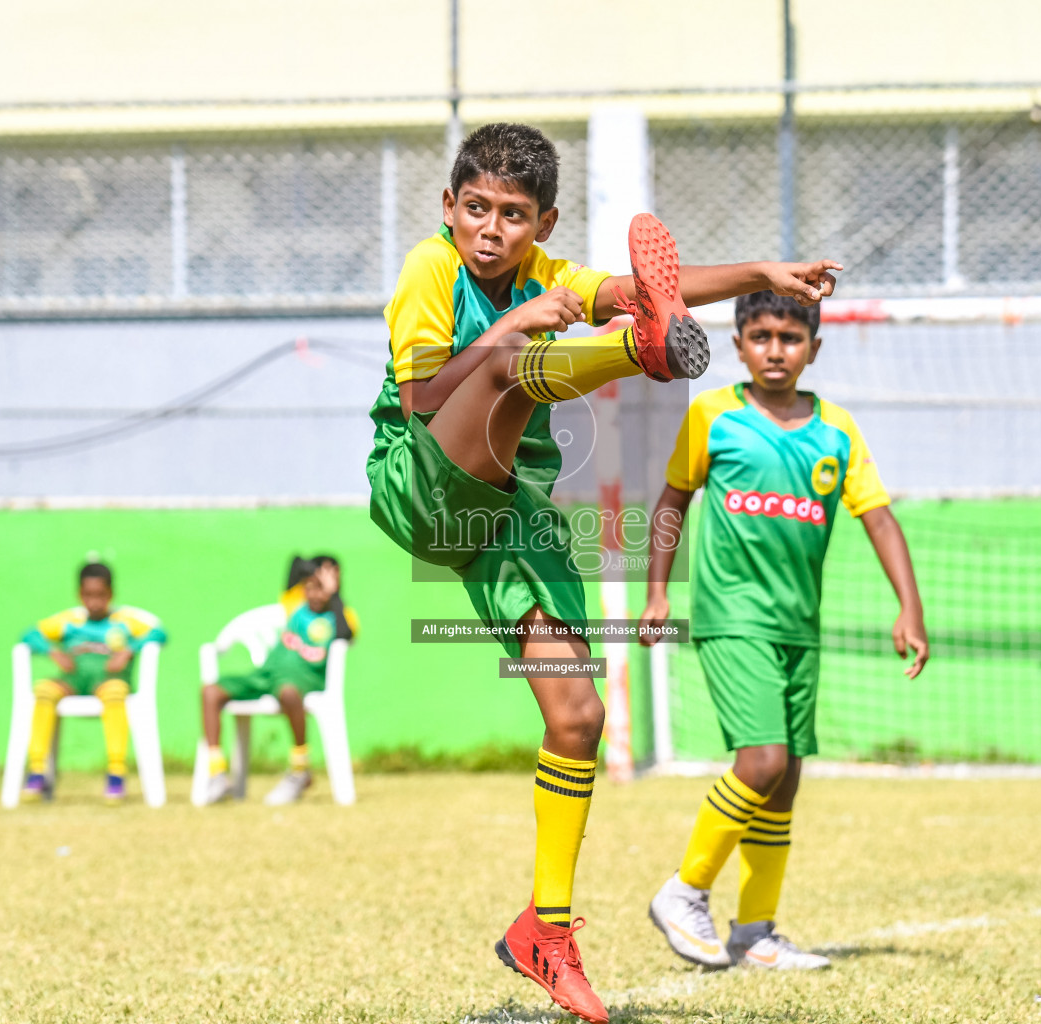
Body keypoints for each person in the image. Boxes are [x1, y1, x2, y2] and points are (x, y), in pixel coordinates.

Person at [364, 121, 842, 1022]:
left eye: (514, 215)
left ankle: (544, 930)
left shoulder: (548, 275)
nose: (492, 229)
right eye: (476, 209)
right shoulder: (432, 270)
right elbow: (424, 396)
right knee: (510, 358)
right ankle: (643, 352)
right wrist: (523, 324)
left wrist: (758, 275)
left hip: (513, 511)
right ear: (449, 208)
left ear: (543, 223)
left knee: (579, 715)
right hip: (424, 475)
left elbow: (648, 288)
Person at [642, 291, 930, 971]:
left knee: (786, 778)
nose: (776, 349)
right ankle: (683, 891)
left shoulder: (838, 430)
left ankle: (755, 934)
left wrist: (909, 607)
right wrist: (657, 591)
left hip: (799, 624)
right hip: (731, 615)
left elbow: (879, 518)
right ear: (740, 343)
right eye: (763, 335)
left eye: (791, 337)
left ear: (815, 348)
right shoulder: (713, 416)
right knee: (762, 761)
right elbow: (672, 501)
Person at [201, 555, 357, 805]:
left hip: (305, 679)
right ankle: (217, 772)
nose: (317, 593)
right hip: (267, 674)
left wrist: (334, 594)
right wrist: (313, 568)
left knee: (288, 693)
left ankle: (300, 768)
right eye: (313, 585)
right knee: (210, 692)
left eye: (325, 587)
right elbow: (294, 567)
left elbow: (346, 635)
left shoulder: (341, 615)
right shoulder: (295, 606)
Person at [20, 562, 166, 804]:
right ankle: (37, 771)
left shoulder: (124, 621)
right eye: (88, 595)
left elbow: (159, 633)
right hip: (73, 681)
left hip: (108, 681)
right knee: (44, 691)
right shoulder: (69, 621)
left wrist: (130, 650)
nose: (94, 602)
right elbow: (30, 634)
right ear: (80, 595)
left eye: (100, 595)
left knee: (115, 693)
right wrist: (52, 651)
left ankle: (116, 773)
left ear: (110, 594)